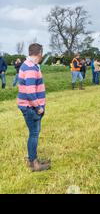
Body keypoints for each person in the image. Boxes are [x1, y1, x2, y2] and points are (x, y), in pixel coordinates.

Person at [17, 43, 51, 172]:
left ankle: (32, 158)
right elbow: (30, 92)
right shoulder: (30, 68)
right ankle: (34, 163)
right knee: (34, 134)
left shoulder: (30, 65)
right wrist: (38, 107)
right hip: (31, 107)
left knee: (33, 134)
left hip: (29, 106)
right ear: (39, 53)